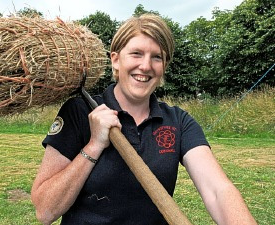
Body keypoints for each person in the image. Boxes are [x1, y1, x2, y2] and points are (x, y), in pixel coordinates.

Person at [31, 14, 257, 225]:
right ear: (116, 60)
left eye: (157, 57)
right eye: (136, 53)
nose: (146, 66)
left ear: (164, 66)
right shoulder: (80, 112)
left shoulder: (178, 121)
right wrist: (94, 145)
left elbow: (218, 190)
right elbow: (45, 210)